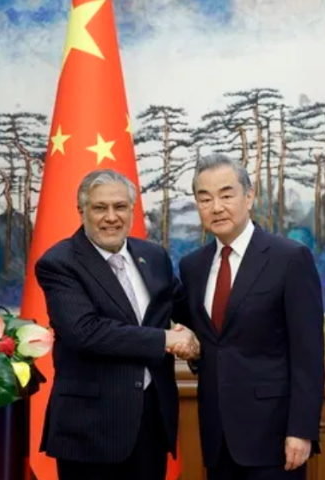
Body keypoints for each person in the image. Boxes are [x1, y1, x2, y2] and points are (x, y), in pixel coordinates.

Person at [35, 169, 198, 480]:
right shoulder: (60, 262)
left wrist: (196, 339)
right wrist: (165, 339)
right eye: (100, 208)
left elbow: (185, 311)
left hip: (151, 421)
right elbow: (86, 331)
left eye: (120, 207)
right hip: (90, 429)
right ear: (82, 211)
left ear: (132, 210)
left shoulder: (154, 256)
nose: (111, 217)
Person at [175, 154, 325, 480]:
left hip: (275, 438)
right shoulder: (192, 267)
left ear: (249, 196)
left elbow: (308, 354)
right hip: (217, 437)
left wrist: (301, 430)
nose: (216, 207)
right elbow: (208, 343)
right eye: (205, 198)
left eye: (226, 195)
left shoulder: (289, 259)